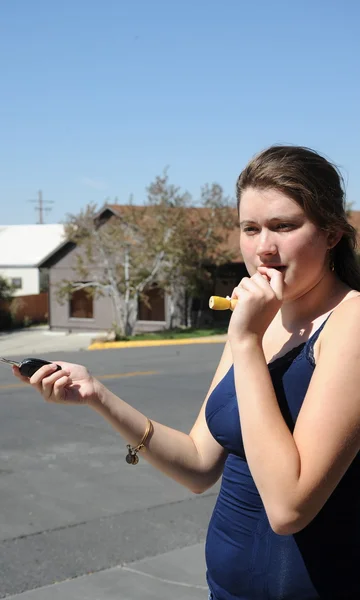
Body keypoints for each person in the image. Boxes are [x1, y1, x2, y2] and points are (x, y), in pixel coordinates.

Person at [13, 145, 360, 599]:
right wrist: (97, 394)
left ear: (332, 233)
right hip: (225, 589)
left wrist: (246, 342)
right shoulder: (259, 320)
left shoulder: (348, 323)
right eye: (250, 229)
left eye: (284, 226)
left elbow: (289, 507)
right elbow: (198, 463)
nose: (263, 248)